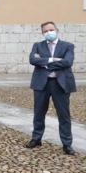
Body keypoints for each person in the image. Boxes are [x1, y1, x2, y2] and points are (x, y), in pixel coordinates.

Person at [26, 21, 76, 155]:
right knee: (38, 113)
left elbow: (68, 62)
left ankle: (67, 144)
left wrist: (44, 62)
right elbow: (32, 60)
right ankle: (36, 139)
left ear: (56, 30)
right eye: (45, 31)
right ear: (42, 33)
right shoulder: (37, 45)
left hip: (60, 83)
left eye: (51, 30)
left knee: (64, 115)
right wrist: (52, 60)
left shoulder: (68, 46)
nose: (49, 32)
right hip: (41, 83)